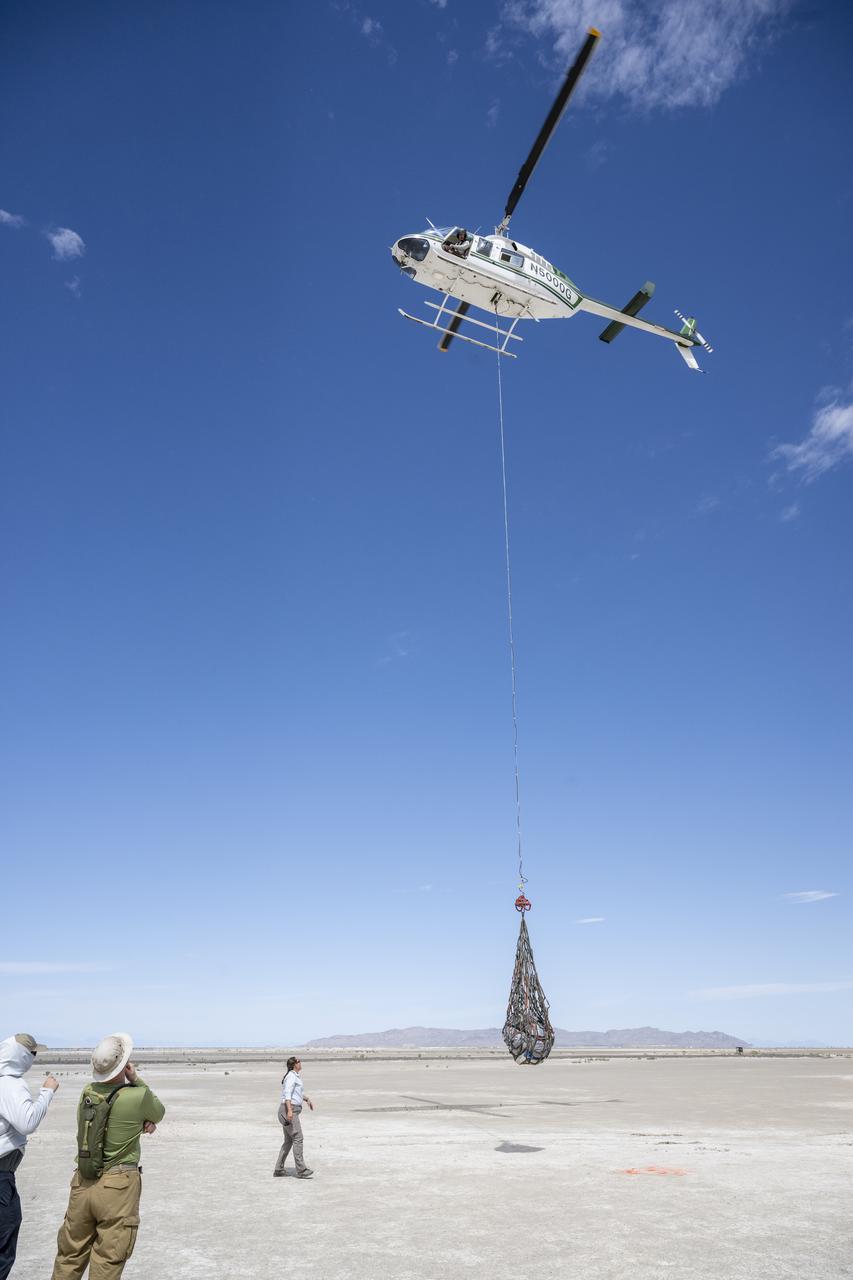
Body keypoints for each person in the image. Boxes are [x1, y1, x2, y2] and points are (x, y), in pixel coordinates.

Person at [51, 1032, 165, 1280]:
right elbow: (158, 1111)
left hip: (82, 1181)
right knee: (108, 1260)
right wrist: (135, 1080)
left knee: (69, 1257)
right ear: (124, 1064)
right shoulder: (137, 1096)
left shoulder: (88, 1092)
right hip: (118, 1187)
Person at [0, 1033, 59, 1278]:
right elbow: (27, 1122)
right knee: (5, 1242)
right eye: (32, 1054)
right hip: (1, 1176)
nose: (34, 1059)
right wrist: (47, 1093)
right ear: (22, 1056)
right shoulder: (10, 1084)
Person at [273, 1056, 314, 1179]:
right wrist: (290, 1111)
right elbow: (287, 1094)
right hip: (288, 1111)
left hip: (287, 1111)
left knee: (288, 1141)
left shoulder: (294, 1076)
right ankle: (301, 1170)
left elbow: (296, 1093)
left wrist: (306, 1099)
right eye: (299, 1061)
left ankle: (279, 1169)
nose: (301, 1063)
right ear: (294, 1064)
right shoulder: (291, 1076)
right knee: (298, 1138)